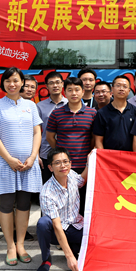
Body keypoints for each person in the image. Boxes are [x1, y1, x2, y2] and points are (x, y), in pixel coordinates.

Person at [0, 67, 42, 266]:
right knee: (6, 205)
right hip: (5, 164)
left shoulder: (30, 105)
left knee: (25, 205)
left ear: (22, 83)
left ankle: (21, 245)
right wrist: (9, 159)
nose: (12, 84)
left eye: (16, 80)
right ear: (3, 84)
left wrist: (33, 157)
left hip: (27, 165)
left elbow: (37, 132)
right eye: (8, 80)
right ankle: (10, 246)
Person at [46, 77, 97, 214]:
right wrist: (60, 153)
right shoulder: (56, 113)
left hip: (84, 165)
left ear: (83, 92)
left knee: (84, 200)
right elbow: (50, 137)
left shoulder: (92, 113)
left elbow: (93, 138)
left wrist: (89, 155)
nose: (74, 93)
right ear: (65, 92)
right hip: (63, 166)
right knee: (63, 200)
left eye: (77, 90)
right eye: (70, 90)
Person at [36, 147, 88, 271]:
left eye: (65, 161)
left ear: (70, 163)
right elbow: (57, 225)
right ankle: (46, 259)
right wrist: (69, 257)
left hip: (76, 225)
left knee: (95, 243)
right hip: (57, 230)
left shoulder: (71, 175)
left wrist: (89, 163)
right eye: (57, 163)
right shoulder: (47, 192)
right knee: (43, 223)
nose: (63, 166)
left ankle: (73, 247)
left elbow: (81, 181)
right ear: (50, 167)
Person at [92, 75, 136, 151]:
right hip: (110, 156)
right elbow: (98, 141)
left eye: (125, 86)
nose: (121, 89)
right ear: (112, 89)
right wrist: (103, 156)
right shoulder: (102, 113)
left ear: (129, 91)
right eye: (118, 85)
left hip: (130, 156)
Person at [36, 71, 67, 183]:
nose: (55, 85)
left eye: (58, 82)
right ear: (46, 86)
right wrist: (37, 155)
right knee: (47, 184)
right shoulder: (40, 106)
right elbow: (36, 132)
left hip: (66, 153)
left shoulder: (70, 104)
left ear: (62, 84)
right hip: (46, 153)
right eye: (51, 83)